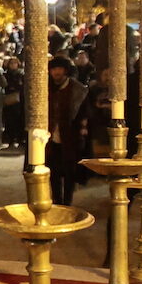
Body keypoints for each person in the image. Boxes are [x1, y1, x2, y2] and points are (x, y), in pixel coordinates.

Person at [47, 57, 89, 206]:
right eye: (53, 69)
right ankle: (57, 202)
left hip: (70, 137)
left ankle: (67, 203)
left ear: (65, 70)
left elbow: (83, 113)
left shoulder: (77, 90)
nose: (56, 72)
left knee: (70, 171)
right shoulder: (47, 88)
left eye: (59, 69)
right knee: (53, 173)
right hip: (51, 137)